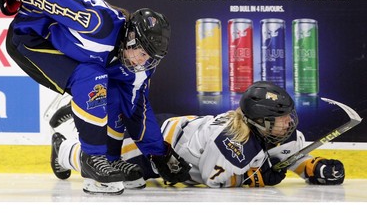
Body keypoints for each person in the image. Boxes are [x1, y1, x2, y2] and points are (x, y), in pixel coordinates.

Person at [0, 0, 191, 194]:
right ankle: (93, 159)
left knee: (115, 93)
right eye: (142, 53)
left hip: (71, 54)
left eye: (151, 58)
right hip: (31, 39)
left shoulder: (139, 69)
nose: (143, 62)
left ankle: (110, 159)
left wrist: (159, 153)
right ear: (131, 37)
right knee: (92, 76)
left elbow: (135, 112)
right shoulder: (97, 25)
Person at [49, 81, 345, 188]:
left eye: (287, 116)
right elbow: (214, 179)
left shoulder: (275, 132)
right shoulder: (231, 139)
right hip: (162, 147)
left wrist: (312, 167)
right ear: (259, 123)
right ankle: (63, 146)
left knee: (133, 182)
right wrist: (256, 177)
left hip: (183, 137)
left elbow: (288, 156)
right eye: (279, 119)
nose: (287, 124)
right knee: (107, 164)